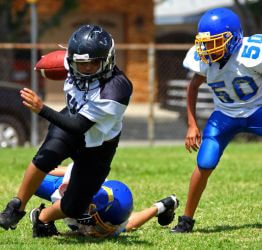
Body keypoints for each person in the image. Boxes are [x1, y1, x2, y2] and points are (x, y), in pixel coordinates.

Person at [0, 24, 133, 237]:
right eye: (80, 63)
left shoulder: (116, 89)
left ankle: (42, 218)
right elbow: (57, 63)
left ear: (107, 60)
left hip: (98, 144)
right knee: (44, 157)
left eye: (92, 63)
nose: (86, 68)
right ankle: (16, 207)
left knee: (74, 206)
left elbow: (80, 126)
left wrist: (41, 109)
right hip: (70, 119)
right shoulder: (73, 61)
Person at [172, 7, 262, 233]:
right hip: (224, 115)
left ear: (234, 38)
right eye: (205, 43)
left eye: (215, 42)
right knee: (205, 162)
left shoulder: (252, 54)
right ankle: (186, 221)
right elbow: (193, 87)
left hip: (257, 109)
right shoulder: (204, 60)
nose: (207, 49)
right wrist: (192, 125)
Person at [32, 163, 179, 238]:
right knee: (35, 181)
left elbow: (128, 223)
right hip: (69, 185)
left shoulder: (116, 216)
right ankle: (162, 206)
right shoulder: (82, 186)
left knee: (126, 227)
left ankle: (162, 206)